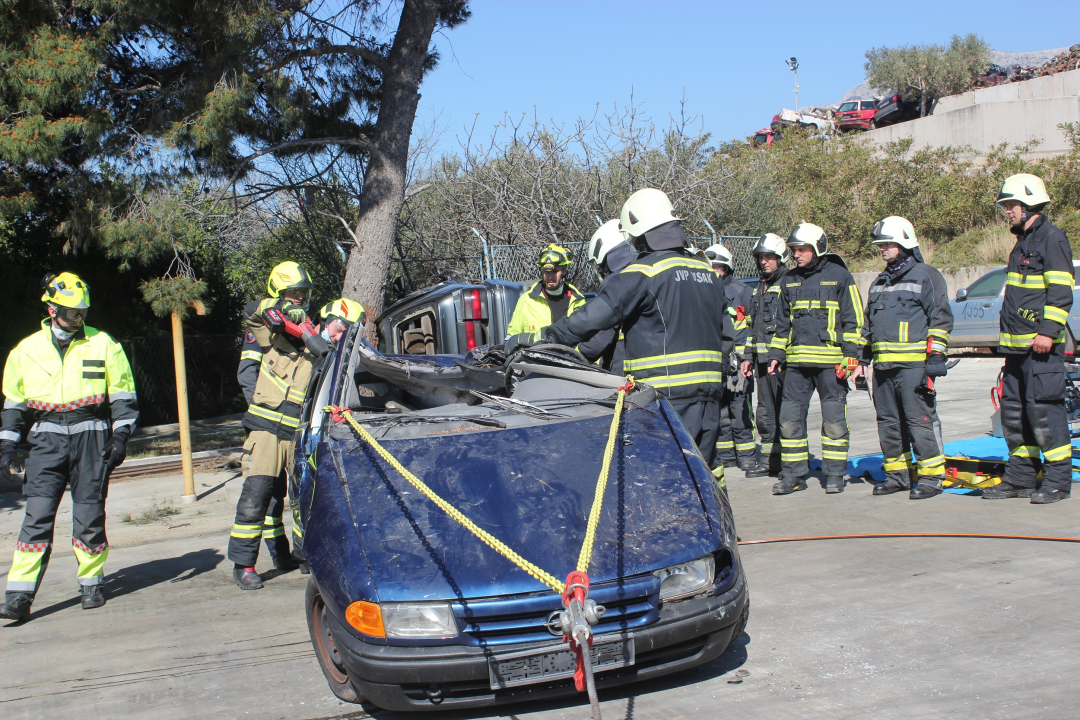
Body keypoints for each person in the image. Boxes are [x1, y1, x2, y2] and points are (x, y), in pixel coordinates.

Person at [523, 188, 733, 479]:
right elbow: (726, 334)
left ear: (640, 231)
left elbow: (593, 317)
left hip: (664, 398)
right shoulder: (706, 272)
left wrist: (547, 340)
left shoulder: (643, 272)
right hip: (710, 396)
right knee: (705, 472)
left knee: (664, 477)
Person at [0, 273, 138, 621]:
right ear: (52, 310)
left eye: (83, 313)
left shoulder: (104, 344)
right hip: (46, 441)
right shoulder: (26, 350)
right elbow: (14, 403)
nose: (79, 319)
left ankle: (91, 584)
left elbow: (123, 394)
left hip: (91, 437)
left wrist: (120, 435)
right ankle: (18, 596)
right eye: (73, 313)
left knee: (89, 515)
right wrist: (7, 445)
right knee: (37, 515)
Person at [230, 262, 328, 590]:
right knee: (256, 496)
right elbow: (251, 311)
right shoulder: (269, 335)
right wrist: (281, 309)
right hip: (266, 431)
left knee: (302, 499)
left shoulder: (314, 344)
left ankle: (301, 556)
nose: (299, 298)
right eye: (292, 293)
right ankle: (243, 564)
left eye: (303, 294)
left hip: (297, 435)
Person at [983, 173, 1074, 504]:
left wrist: (1048, 331)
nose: (1007, 211)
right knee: (1015, 415)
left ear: (1030, 204)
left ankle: (1057, 482)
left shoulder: (1052, 239)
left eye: (1011, 205)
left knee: (1045, 414)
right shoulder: (1023, 242)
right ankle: (1020, 479)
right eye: (1006, 206)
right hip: (1016, 349)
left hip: (1041, 350)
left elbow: (1061, 291)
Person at [853, 217, 953, 499]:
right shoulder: (879, 282)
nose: (882, 248)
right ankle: (898, 476)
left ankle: (931, 478)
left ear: (904, 242)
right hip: (883, 369)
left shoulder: (926, 276)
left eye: (887, 243)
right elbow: (868, 327)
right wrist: (862, 361)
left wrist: (936, 357)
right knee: (888, 424)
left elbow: (940, 319)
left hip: (914, 368)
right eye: (880, 244)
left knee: (919, 421)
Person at [767, 223, 866, 495]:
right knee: (789, 421)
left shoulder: (840, 276)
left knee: (834, 422)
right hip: (797, 366)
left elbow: (854, 319)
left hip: (831, 365)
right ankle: (793, 475)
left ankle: (834, 474)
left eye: (802, 249)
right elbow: (781, 323)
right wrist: (776, 355)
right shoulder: (789, 279)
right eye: (794, 250)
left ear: (817, 248)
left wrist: (851, 356)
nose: (796, 255)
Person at [739, 234, 790, 478]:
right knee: (765, 413)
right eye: (761, 257)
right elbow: (753, 326)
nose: (764, 262)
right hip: (761, 362)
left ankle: (790, 463)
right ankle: (771, 461)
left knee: (785, 413)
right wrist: (748, 356)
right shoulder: (760, 286)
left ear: (781, 258)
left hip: (781, 362)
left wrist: (779, 356)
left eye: (769, 257)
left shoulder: (789, 283)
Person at [704, 244, 757, 472]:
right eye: (710, 267)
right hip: (717, 362)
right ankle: (726, 455)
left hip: (739, 363)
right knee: (721, 410)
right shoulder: (705, 291)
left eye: (718, 267)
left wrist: (745, 357)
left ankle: (747, 457)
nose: (714, 271)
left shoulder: (743, 291)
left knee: (740, 409)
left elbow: (752, 328)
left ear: (726, 268)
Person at [577, 220, 635, 374]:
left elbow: (595, 345)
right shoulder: (648, 272)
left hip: (624, 375)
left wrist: (570, 354)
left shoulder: (617, 282)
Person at [506, 244, 587, 337]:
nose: (550, 277)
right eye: (547, 272)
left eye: (555, 271)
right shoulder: (526, 301)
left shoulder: (577, 301)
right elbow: (512, 337)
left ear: (564, 271)